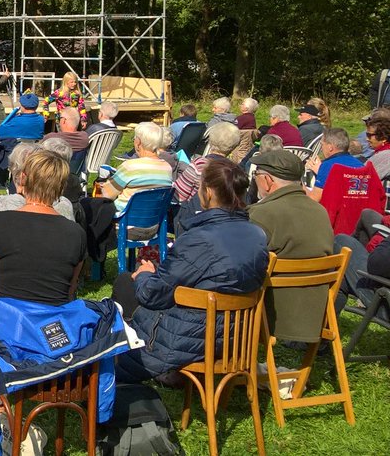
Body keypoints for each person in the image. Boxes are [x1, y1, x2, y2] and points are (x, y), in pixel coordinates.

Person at [111, 158, 270, 383]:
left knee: (126, 283)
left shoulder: (199, 239)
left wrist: (145, 273)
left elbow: (152, 294)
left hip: (192, 337)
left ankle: (124, 355)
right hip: (236, 337)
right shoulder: (258, 235)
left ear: (209, 192)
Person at [0, 144, 79, 298]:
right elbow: (69, 293)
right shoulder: (77, 233)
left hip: (6, 305)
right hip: (52, 310)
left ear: (23, 178)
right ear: (61, 185)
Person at [248, 149, 335, 345]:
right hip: (317, 312)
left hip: (274, 315)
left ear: (268, 181)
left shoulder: (261, 214)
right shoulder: (320, 211)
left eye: (256, 176)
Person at [98, 121, 173, 213]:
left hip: (124, 220)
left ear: (138, 142)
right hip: (154, 220)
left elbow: (107, 194)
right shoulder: (167, 168)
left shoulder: (130, 167)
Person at [172, 122, 241, 203]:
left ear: (211, 140)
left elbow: (179, 195)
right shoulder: (235, 169)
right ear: (235, 145)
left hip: (197, 211)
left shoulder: (199, 165)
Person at [305, 127, 363, 200]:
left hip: (334, 210)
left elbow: (313, 199)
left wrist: (299, 182)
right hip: (358, 208)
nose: (321, 148)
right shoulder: (360, 165)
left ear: (330, 148)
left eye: (322, 145)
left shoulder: (327, 166)